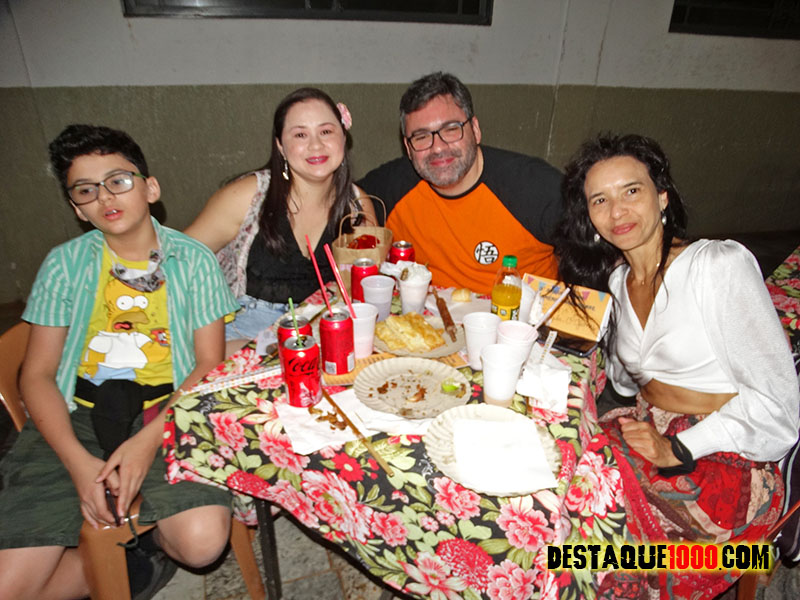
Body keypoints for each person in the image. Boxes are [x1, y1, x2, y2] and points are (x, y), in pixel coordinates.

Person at [554, 133, 800, 598]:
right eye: (600, 200)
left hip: (724, 460)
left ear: (662, 197)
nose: (617, 211)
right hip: (649, 430)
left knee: (590, 529)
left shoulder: (717, 266)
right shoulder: (618, 281)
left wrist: (679, 448)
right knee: (553, 476)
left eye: (632, 191)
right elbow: (625, 378)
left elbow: (779, 411)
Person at [0, 124, 240, 600]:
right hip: (78, 415)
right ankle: (127, 567)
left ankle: (146, 548)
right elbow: (38, 374)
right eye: (85, 189)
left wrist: (147, 442)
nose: (105, 196)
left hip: (169, 411)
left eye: (118, 180)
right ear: (77, 208)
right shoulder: (64, 264)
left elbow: (207, 363)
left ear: (150, 188)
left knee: (202, 544)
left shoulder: (194, 261)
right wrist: (78, 464)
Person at [186, 87, 376, 353]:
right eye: (300, 134)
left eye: (326, 131)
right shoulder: (248, 196)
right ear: (280, 146)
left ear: (343, 137)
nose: (316, 145)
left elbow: (366, 287)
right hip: (244, 335)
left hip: (325, 333)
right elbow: (178, 262)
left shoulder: (358, 206)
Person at [358, 71, 562, 292]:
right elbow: (340, 199)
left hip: (521, 312)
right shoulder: (393, 185)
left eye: (451, 129)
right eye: (421, 137)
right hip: (425, 313)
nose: (438, 148)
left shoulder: (533, 187)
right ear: (408, 148)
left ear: (475, 130)